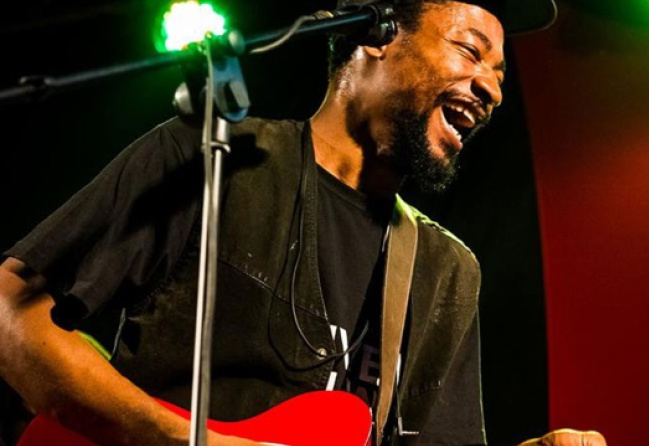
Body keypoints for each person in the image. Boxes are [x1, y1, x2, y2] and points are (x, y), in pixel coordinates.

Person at [0, 0, 607, 445]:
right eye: (471, 51)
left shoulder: (446, 273)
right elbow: (10, 312)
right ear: (378, 34)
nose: (491, 90)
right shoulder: (213, 158)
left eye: (500, 75)